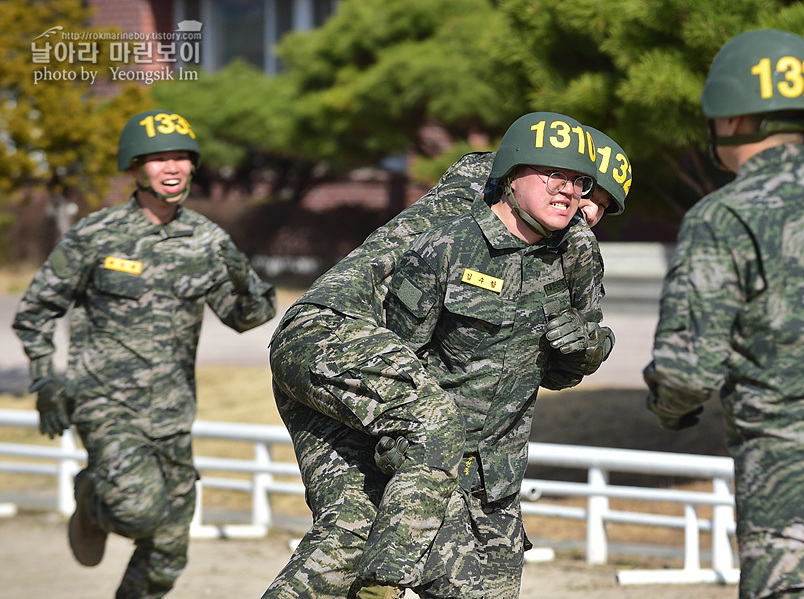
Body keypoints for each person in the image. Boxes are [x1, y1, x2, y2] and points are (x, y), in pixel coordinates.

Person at [264, 111, 631, 599]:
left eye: (594, 202)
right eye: (578, 191)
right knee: (403, 466)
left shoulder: (552, 245)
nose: (582, 212)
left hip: (362, 363)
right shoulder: (479, 216)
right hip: (332, 335)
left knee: (367, 521)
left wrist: (585, 342)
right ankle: (385, 583)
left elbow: (548, 361)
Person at [642, 28, 804, 599]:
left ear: (731, 119)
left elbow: (686, 373)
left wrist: (670, 410)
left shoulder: (723, 217)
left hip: (798, 506)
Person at [12, 109, 277, 599]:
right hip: (104, 402)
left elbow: (247, 318)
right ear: (135, 167)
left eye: (181, 157)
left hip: (173, 411)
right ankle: (92, 499)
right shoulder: (95, 235)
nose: (171, 168)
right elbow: (34, 312)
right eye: (158, 159)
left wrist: (246, 279)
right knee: (139, 511)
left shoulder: (207, 240)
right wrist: (45, 381)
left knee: (169, 550)